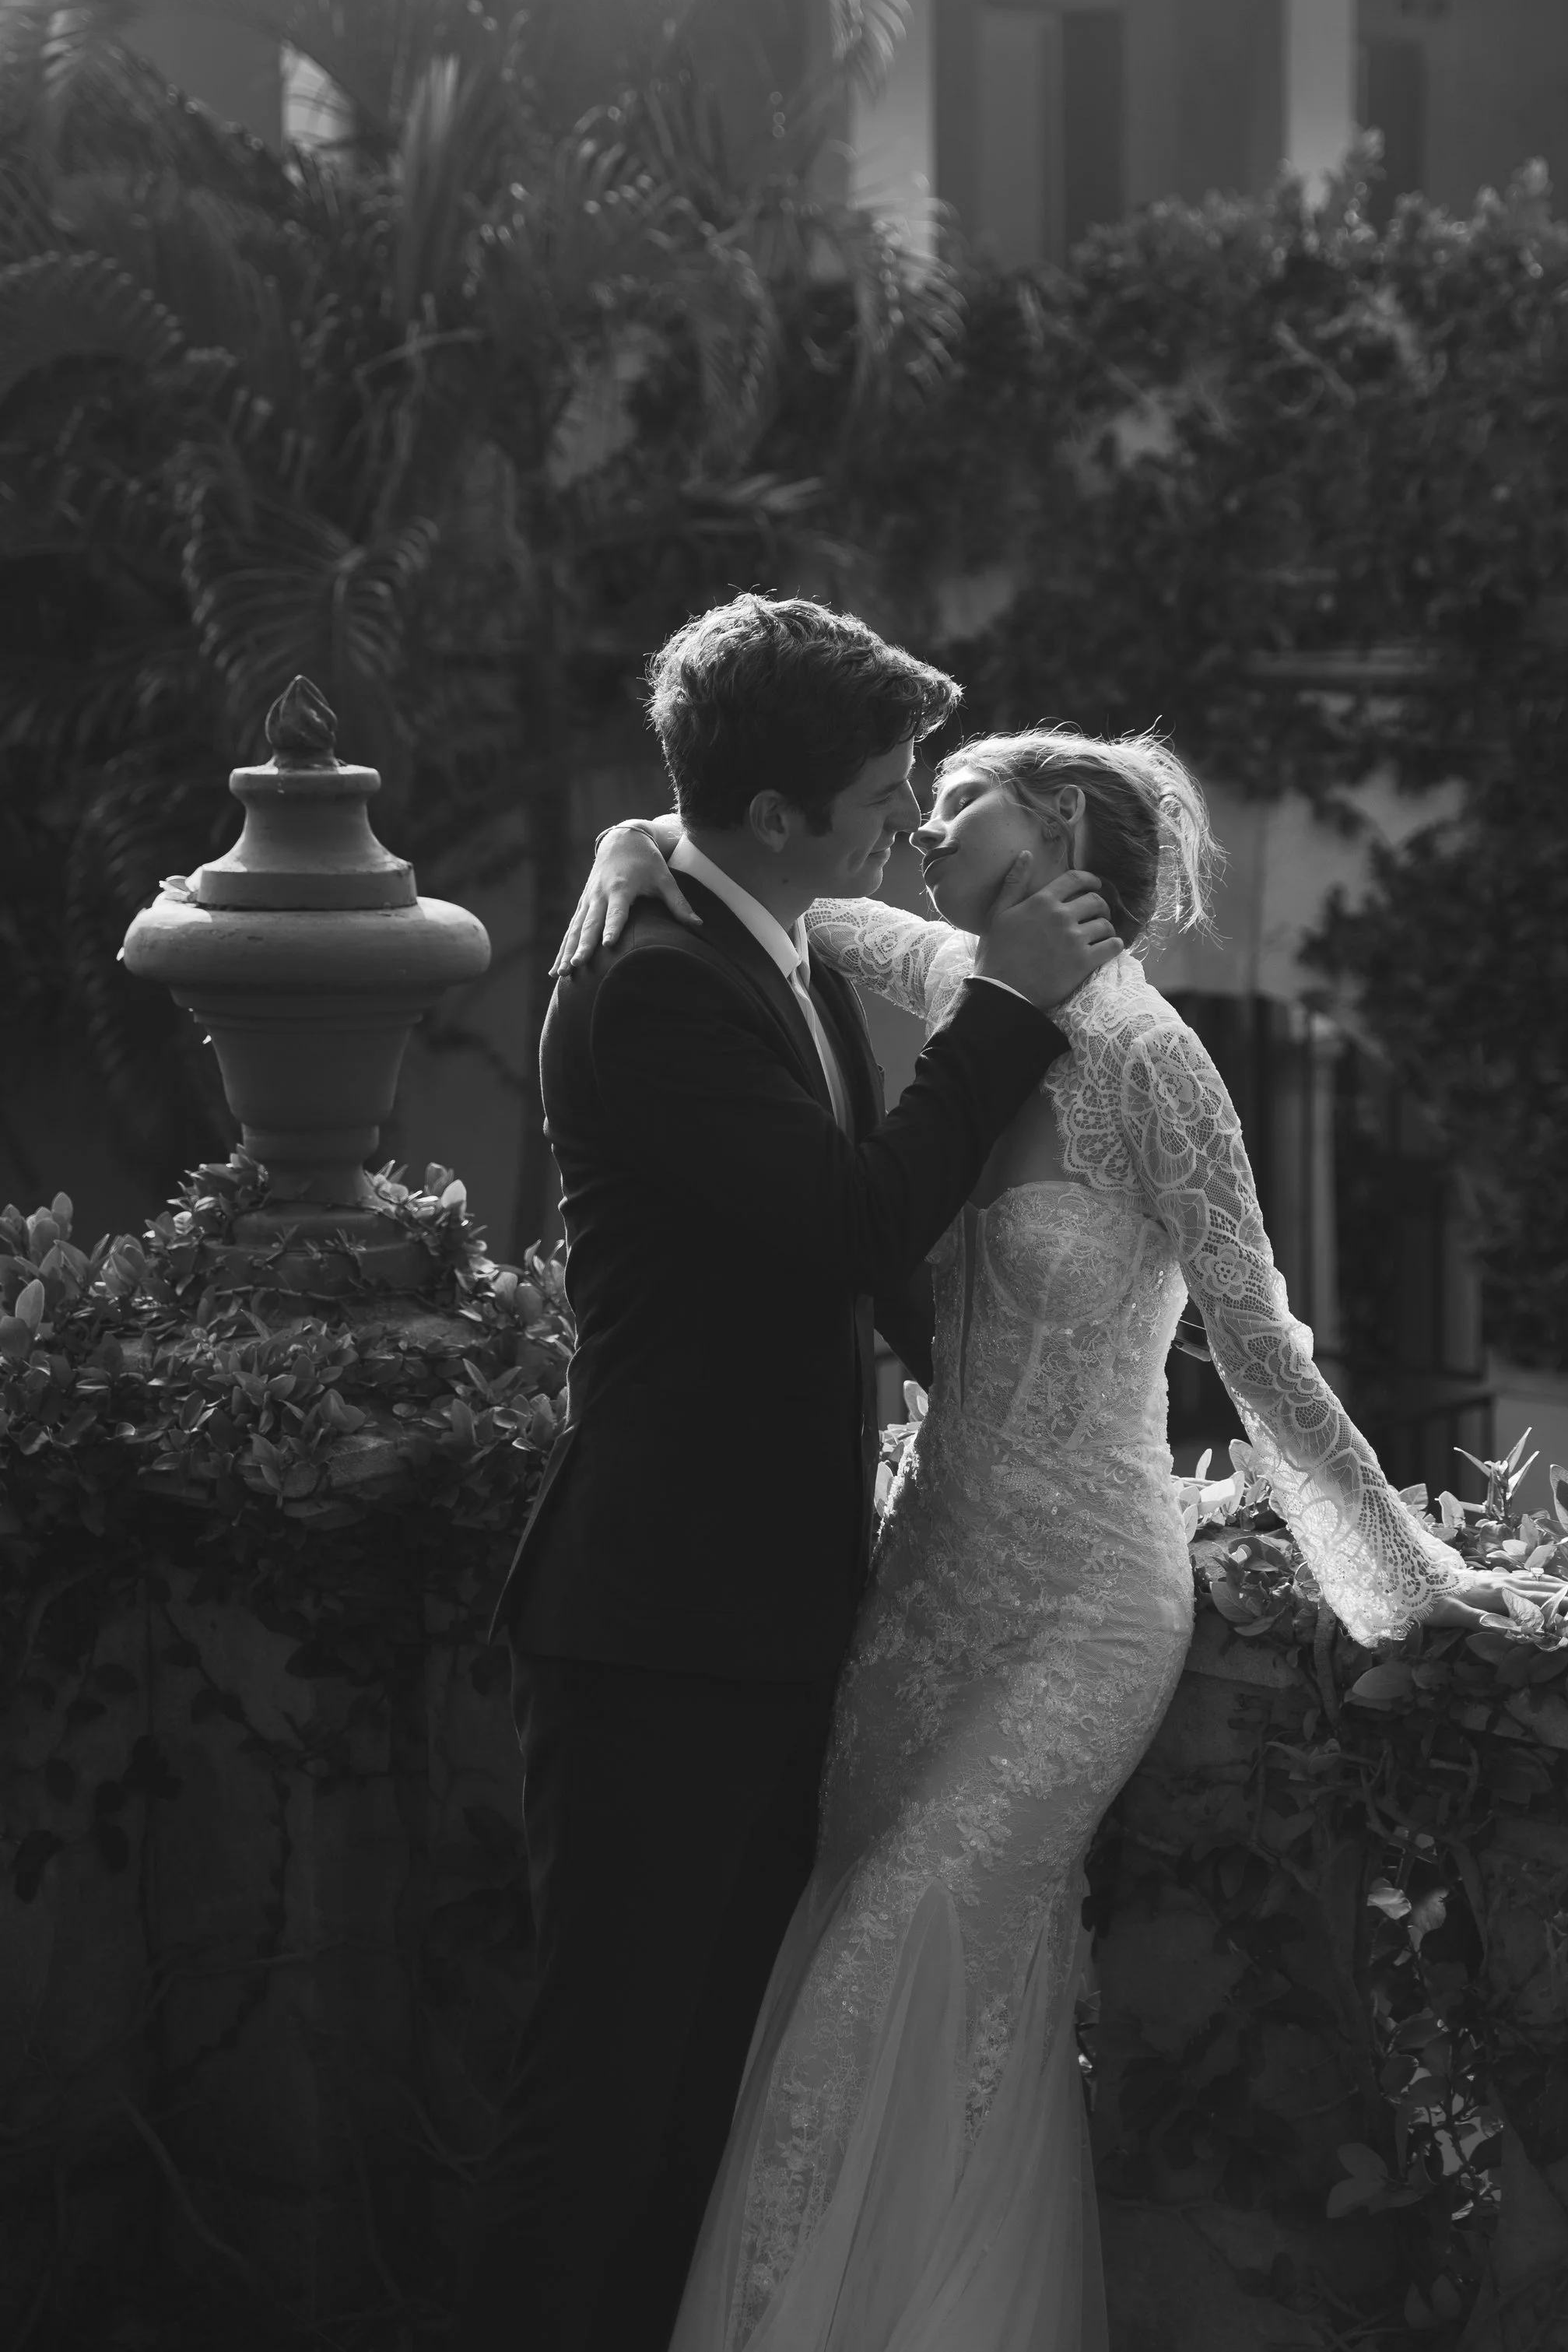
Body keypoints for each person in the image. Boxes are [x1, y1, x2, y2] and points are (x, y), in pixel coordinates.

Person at [554, 722, 1500, 2351]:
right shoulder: (953, 978)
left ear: (1051, 822)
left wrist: (1409, 1580)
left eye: (953, 802)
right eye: (911, 803)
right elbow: (768, 886)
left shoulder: (1157, 1066)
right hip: (922, 1595)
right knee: (848, 1945)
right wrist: (632, 844)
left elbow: (1262, 1351)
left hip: (1084, 1605)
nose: (917, 828)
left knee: (903, 1943)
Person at [458, 602, 1123, 2352]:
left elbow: (841, 1245)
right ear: (773, 815)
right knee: (598, 2105)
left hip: (757, 1621)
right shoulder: (659, 986)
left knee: (704, 2107)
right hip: (654, 1629)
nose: (906, 823)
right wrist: (1013, 1011)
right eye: (884, 791)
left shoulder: (745, 924)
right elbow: (846, 1217)